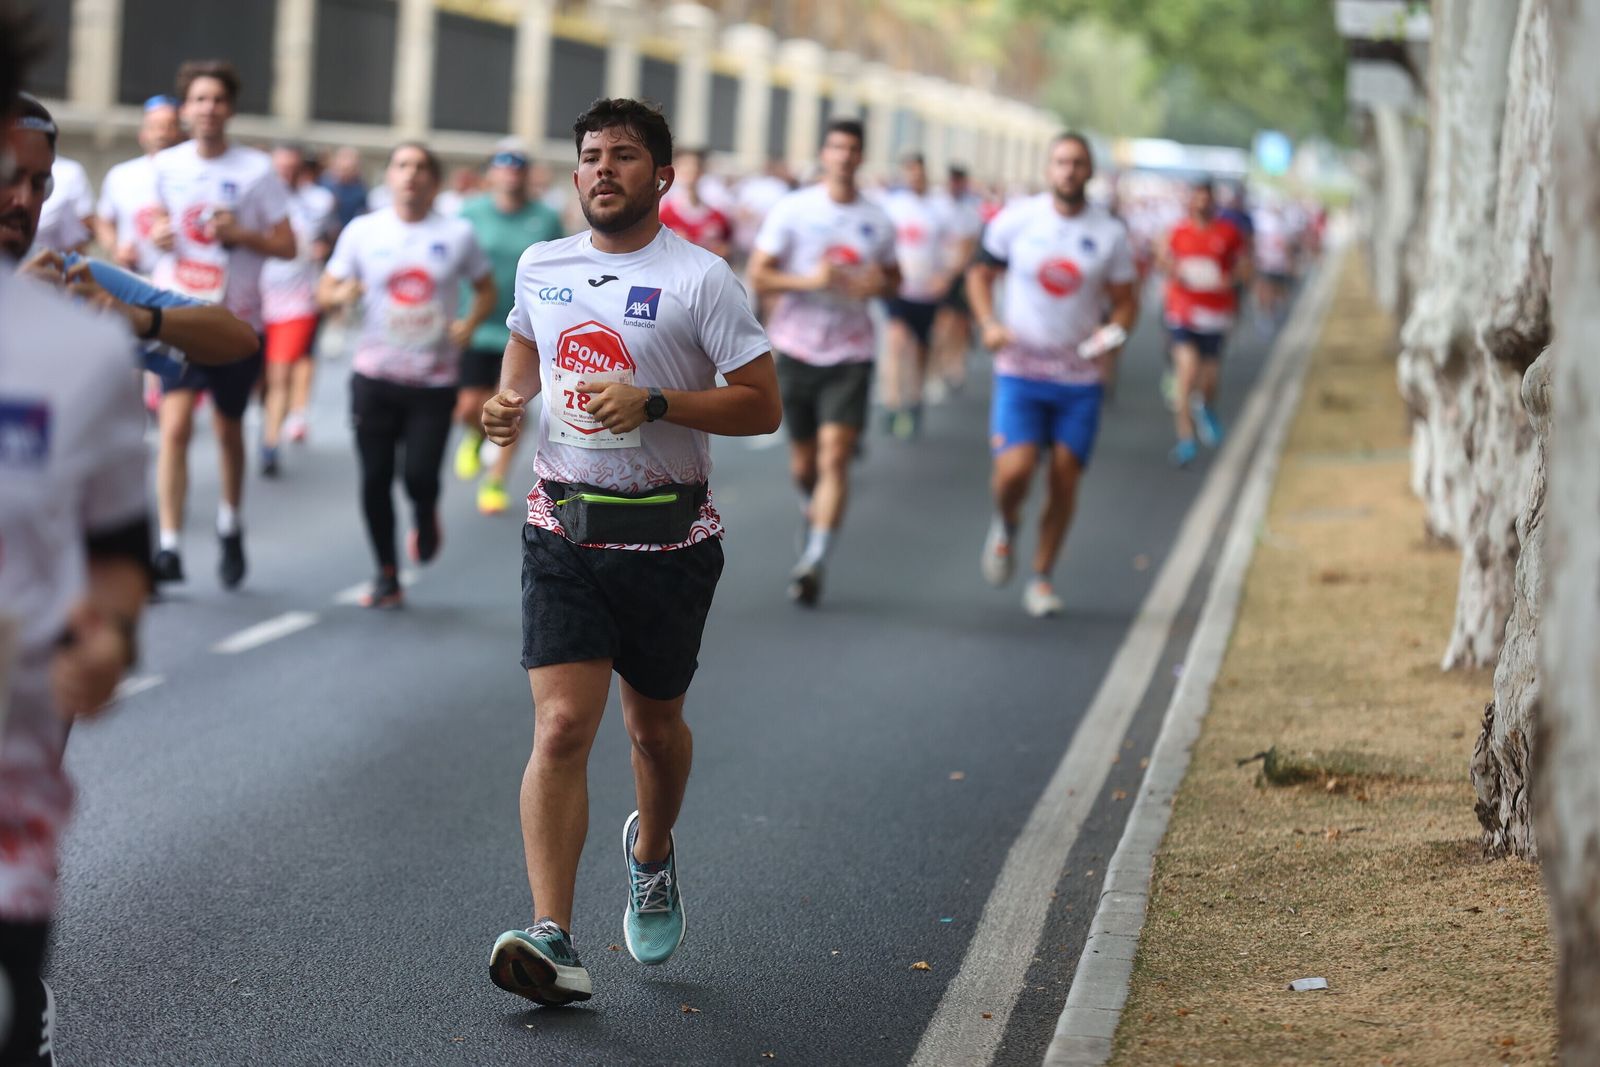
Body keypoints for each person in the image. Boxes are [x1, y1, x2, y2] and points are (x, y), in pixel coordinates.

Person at [478, 97, 779, 1007]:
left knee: (652, 731)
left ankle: (651, 850)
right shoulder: (542, 264)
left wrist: (655, 401)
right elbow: (523, 351)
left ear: (663, 176)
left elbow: (761, 404)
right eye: (591, 155)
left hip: (669, 538)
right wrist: (506, 404)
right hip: (562, 525)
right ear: (575, 174)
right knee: (562, 727)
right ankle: (552, 932)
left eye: (624, 155)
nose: (603, 168)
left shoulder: (701, 279)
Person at [965, 132, 1139, 617]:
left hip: (1079, 379)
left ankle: (1042, 577)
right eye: (1061, 161)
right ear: (1048, 169)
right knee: (1014, 473)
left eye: (1078, 162)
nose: (1069, 170)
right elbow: (978, 274)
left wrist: (1113, 334)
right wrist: (988, 322)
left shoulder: (1109, 233)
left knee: (1064, 478)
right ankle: (1006, 522)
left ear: (1090, 171)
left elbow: (1126, 302)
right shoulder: (1018, 220)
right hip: (1020, 371)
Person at [318, 142, 495, 608]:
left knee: (418, 475)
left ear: (434, 182)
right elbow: (326, 289)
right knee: (375, 478)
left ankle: (425, 510)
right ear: (389, 177)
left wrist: (470, 323)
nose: (411, 174)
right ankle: (386, 574)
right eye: (402, 166)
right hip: (374, 376)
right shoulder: (363, 230)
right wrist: (339, 296)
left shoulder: (457, 234)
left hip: (433, 380)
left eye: (420, 167)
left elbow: (486, 289)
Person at [147, 59, 294, 588]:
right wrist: (158, 235)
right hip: (179, 317)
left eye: (217, 99)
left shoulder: (256, 170)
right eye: (199, 99)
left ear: (230, 109)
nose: (208, 108)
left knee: (228, 428)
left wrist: (242, 236)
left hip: (235, 323)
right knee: (174, 427)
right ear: (185, 109)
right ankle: (168, 545)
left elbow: (287, 244)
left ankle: (230, 523)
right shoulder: (165, 165)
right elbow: (152, 226)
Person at [748, 118, 900, 606]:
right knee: (804, 464)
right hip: (796, 347)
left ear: (861, 157)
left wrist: (877, 285)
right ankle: (810, 507)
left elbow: (894, 279)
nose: (845, 156)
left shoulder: (877, 219)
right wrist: (810, 282)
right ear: (825, 154)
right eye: (837, 147)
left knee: (836, 455)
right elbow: (759, 275)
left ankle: (814, 558)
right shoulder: (795, 209)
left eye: (853, 148)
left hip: (852, 352)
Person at [453, 146, 563, 515]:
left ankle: (495, 480)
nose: (510, 174)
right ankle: (475, 434)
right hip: (477, 322)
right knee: (467, 406)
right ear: (490, 174)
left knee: (511, 404)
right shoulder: (470, 212)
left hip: (525, 328)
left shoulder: (545, 217)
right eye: (503, 167)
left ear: (526, 175)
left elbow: (559, 266)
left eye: (518, 168)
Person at [259, 142, 337, 475]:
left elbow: (330, 239)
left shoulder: (318, 201)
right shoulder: (254, 199)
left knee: (281, 372)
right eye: (280, 168)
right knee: (261, 377)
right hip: (253, 298)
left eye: (292, 168)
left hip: (297, 301)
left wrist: (323, 248)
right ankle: (272, 417)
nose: (286, 175)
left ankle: (270, 444)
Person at [1160, 176, 1248, 467]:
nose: (1201, 202)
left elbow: (1245, 266)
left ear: (1213, 201)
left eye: (1206, 197)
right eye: (1197, 197)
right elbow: (1162, 259)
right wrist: (1174, 270)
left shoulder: (1229, 233)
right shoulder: (1177, 232)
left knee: (1209, 380)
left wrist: (1229, 279)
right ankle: (1185, 440)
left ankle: (1206, 407)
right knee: (1186, 374)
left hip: (1215, 315)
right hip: (1183, 312)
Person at [879, 152, 957, 438]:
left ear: (926, 173)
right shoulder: (891, 206)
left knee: (922, 348)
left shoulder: (939, 209)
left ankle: (914, 399)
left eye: (919, 172)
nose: (915, 177)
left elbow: (953, 248)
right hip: (899, 288)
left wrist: (945, 277)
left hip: (927, 291)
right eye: (910, 171)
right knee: (896, 340)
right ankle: (892, 403)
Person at [94, 95, 184, 275]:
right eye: (155, 126)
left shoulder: (193, 174)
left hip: (179, 280)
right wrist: (115, 249)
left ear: (181, 134)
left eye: (169, 126)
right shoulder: (120, 175)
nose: (162, 133)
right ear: (142, 134)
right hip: (133, 277)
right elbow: (103, 222)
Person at [929, 164, 984, 396]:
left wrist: (953, 273)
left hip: (960, 276)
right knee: (941, 324)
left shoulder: (970, 209)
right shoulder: (936, 206)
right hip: (939, 272)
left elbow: (969, 245)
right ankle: (937, 368)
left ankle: (955, 365)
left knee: (960, 324)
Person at [658, 146, 732, 260]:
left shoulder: (717, 217)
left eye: (695, 167)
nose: (691, 172)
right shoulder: (661, 215)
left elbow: (727, 249)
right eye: (685, 168)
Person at [319, 145, 368, 233]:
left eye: (350, 169)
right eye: (342, 169)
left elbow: (360, 214)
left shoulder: (359, 190)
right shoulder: (323, 182)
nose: (344, 172)